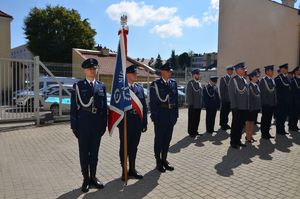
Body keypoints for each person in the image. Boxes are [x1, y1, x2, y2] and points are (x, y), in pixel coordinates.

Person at [70, 58, 107, 193]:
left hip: (97, 126)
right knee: (84, 154)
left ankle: (93, 177)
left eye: (94, 68)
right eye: (90, 68)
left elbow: (104, 108)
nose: (92, 70)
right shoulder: (78, 86)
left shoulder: (101, 86)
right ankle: (86, 179)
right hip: (83, 125)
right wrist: (74, 126)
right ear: (85, 70)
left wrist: (104, 125)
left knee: (95, 154)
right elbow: (73, 107)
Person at [118, 64, 147, 181]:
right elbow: (117, 106)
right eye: (134, 73)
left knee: (134, 147)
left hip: (137, 122)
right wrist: (120, 123)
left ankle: (133, 169)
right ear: (127, 75)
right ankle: (124, 170)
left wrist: (144, 122)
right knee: (124, 147)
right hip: (126, 122)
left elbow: (144, 106)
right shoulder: (121, 88)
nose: (136, 75)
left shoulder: (139, 88)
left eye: (136, 73)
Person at [150, 62, 178, 172]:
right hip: (161, 116)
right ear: (162, 72)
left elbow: (175, 100)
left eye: (170, 71)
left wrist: (176, 115)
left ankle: (165, 159)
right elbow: (153, 103)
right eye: (168, 71)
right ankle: (158, 161)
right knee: (159, 140)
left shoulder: (173, 83)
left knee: (167, 140)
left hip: (171, 116)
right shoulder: (155, 84)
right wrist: (155, 117)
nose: (170, 73)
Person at [228, 62, 249, 149]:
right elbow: (232, 94)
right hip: (237, 107)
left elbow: (246, 94)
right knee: (235, 125)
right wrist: (234, 106)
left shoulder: (244, 80)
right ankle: (233, 142)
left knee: (241, 126)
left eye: (244, 69)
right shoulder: (233, 80)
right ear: (238, 70)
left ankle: (238, 140)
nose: (244, 70)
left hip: (244, 107)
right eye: (242, 69)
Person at [259, 65, 276, 139]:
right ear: (267, 71)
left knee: (269, 119)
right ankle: (264, 133)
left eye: (272, 70)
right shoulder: (263, 80)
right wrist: (266, 103)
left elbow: (274, 92)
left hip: (272, 104)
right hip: (266, 104)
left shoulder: (272, 80)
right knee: (265, 119)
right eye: (271, 70)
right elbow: (262, 93)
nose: (272, 72)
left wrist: (274, 102)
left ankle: (267, 133)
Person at [274, 63, 292, 135]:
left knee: (284, 116)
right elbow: (277, 91)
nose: (287, 70)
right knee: (280, 116)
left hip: (286, 101)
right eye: (285, 68)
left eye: (287, 68)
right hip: (280, 101)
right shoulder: (278, 79)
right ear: (281, 69)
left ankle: (282, 129)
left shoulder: (287, 78)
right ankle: (279, 130)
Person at [186, 69, 203, 137]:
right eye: (197, 74)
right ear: (194, 75)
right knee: (192, 120)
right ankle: (191, 132)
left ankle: (195, 131)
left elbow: (200, 95)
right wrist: (191, 104)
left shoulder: (199, 83)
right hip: (193, 105)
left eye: (199, 74)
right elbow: (189, 94)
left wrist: (201, 103)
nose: (199, 75)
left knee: (197, 119)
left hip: (198, 105)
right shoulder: (190, 83)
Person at [245, 70, 261, 142]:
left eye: (257, 76)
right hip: (250, 108)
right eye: (256, 76)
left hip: (255, 108)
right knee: (249, 123)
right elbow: (248, 98)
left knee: (252, 123)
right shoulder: (249, 86)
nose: (257, 77)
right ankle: (248, 137)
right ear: (251, 77)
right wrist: (250, 108)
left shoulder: (256, 85)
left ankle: (250, 135)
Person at [219, 65, 233, 130]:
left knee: (227, 112)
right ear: (227, 71)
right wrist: (223, 98)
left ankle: (225, 123)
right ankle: (222, 124)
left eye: (232, 70)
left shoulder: (232, 78)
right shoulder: (223, 78)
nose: (231, 71)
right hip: (225, 99)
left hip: (231, 100)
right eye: (230, 70)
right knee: (223, 113)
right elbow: (221, 89)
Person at [288, 66, 300, 131]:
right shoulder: (293, 80)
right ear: (296, 72)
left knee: (297, 114)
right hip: (294, 100)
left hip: (298, 100)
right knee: (293, 113)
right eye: (299, 70)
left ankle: (295, 125)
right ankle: (291, 126)